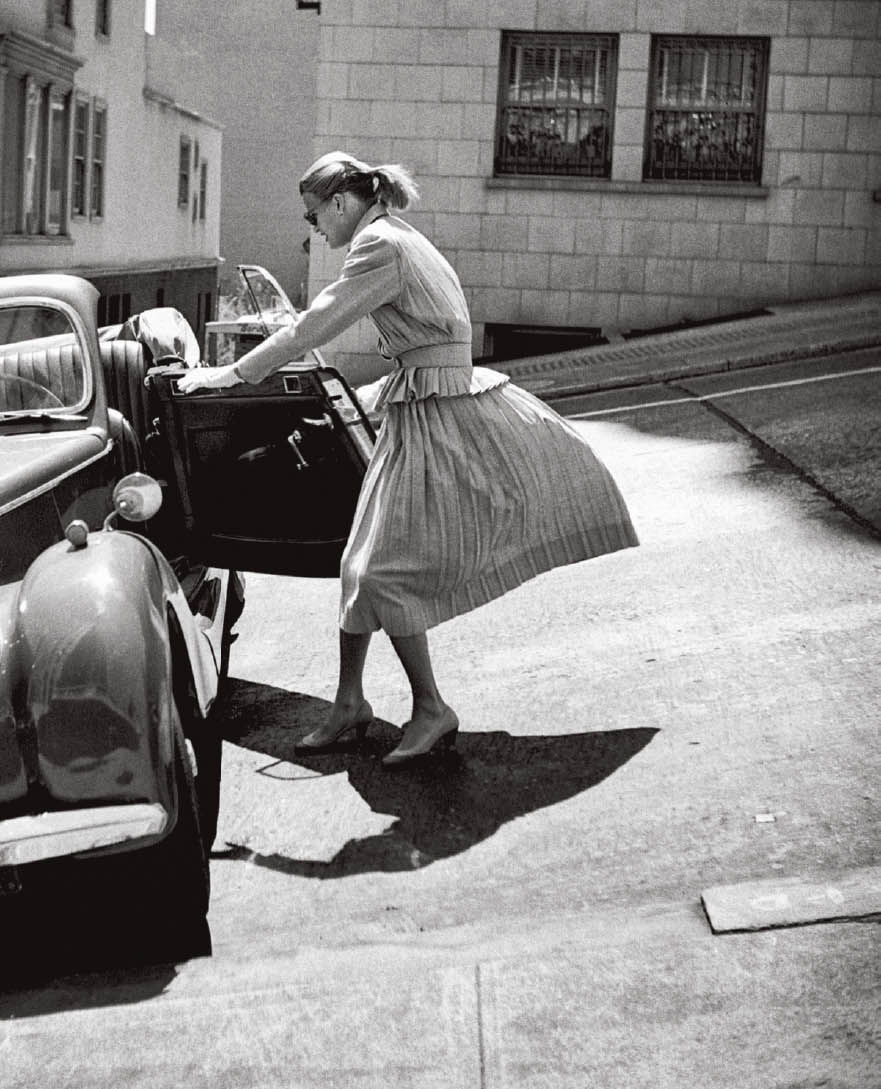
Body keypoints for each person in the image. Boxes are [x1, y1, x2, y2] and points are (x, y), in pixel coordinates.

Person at [176, 151, 639, 767]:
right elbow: (432, 342)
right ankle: (348, 704)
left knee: (383, 570)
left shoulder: (378, 248)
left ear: (341, 204)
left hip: (436, 415)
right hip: (425, 401)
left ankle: (429, 710)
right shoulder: (401, 236)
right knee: (357, 562)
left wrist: (230, 375)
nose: (315, 231)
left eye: (315, 217)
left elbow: (315, 326)